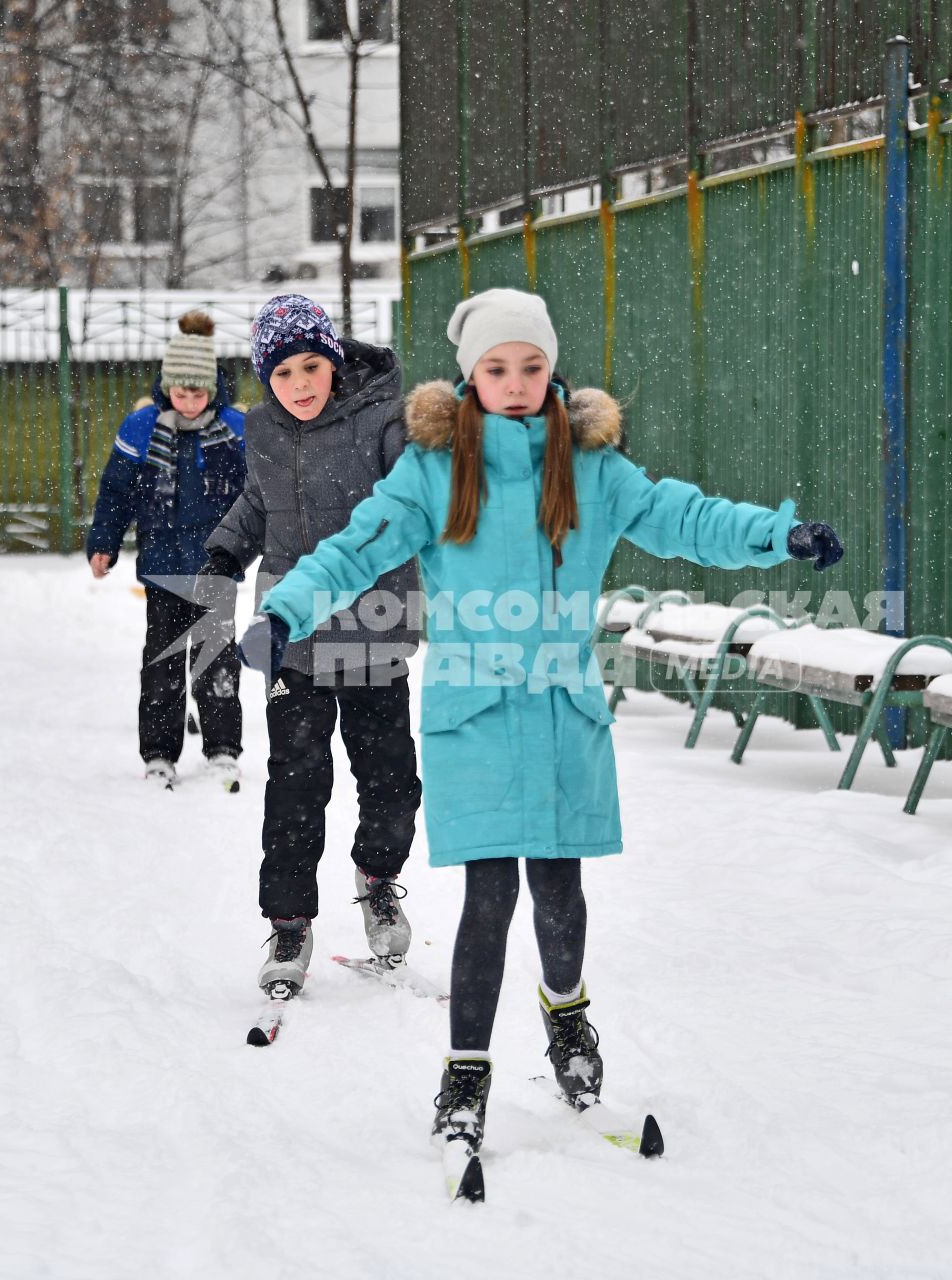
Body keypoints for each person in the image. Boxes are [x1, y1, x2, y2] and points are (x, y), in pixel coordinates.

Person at [254, 288, 845, 1154]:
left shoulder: (593, 465)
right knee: (490, 897)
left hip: (563, 713)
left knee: (560, 889)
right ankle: (464, 1075)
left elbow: (685, 516)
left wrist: (775, 537)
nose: (517, 382)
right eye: (497, 368)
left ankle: (567, 1026)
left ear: (550, 368)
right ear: (471, 376)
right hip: (475, 715)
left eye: (531, 365)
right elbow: (354, 547)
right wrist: (286, 611)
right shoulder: (432, 468)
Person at [204, 294, 424, 991]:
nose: (299, 384)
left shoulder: (385, 421)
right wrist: (223, 553)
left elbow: (424, 491)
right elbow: (259, 502)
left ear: (332, 362)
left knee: (391, 780)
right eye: (282, 373)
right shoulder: (263, 430)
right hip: (292, 638)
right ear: (265, 381)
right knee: (297, 786)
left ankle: (379, 875)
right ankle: (290, 924)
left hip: (374, 628)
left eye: (310, 366)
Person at [87, 310, 247, 792]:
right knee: (162, 663)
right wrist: (104, 544)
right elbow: (116, 492)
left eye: (199, 392)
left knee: (216, 659)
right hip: (160, 566)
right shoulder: (141, 429)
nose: (191, 401)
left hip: (216, 566)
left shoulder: (236, 430)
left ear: (214, 389)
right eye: (181, 391)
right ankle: (159, 753)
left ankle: (222, 749)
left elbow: (260, 494)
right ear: (166, 386)